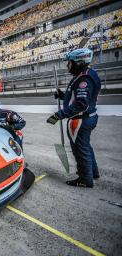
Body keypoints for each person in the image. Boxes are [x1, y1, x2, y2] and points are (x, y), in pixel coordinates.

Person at [46, 48, 101, 188]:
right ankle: (92, 172)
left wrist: (59, 115)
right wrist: (63, 95)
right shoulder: (85, 74)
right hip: (85, 117)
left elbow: (81, 104)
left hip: (81, 119)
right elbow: (76, 98)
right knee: (85, 146)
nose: (68, 66)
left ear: (79, 62)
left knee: (80, 149)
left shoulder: (84, 78)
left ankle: (85, 179)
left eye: (69, 63)